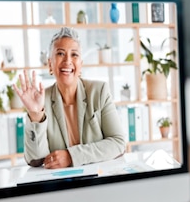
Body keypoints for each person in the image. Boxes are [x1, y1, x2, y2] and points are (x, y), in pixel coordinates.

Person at [14, 27, 126, 168]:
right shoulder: (41, 100)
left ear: (81, 64)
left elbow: (118, 143)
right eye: (60, 53)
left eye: (74, 55)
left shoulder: (99, 91)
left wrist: (71, 156)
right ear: (50, 64)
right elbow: (35, 160)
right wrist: (36, 115)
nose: (67, 61)